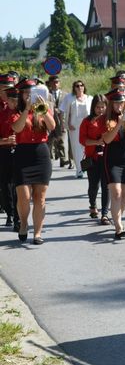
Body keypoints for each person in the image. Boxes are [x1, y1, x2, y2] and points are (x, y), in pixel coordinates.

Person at [10, 78, 56, 245]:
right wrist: (27, 110)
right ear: (21, 95)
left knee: (40, 197)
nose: (29, 96)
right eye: (26, 93)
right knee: (24, 196)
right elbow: (16, 128)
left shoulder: (42, 109)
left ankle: (37, 233)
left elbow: (52, 127)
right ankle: (23, 223)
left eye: (32, 93)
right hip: (22, 154)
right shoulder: (16, 110)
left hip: (41, 154)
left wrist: (43, 110)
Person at [102, 89, 125, 240]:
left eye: (121, 102)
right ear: (111, 104)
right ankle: (118, 227)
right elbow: (107, 140)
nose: (119, 105)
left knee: (123, 194)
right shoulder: (104, 119)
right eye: (116, 102)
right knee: (115, 192)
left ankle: (118, 219)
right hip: (112, 158)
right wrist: (119, 124)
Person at [79, 94, 110, 225]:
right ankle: (92, 205)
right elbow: (82, 140)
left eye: (103, 107)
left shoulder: (109, 120)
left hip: (107, 158)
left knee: (106, 186)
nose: (100, 110)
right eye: (98, 107)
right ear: (93, 107)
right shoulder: (86, 121)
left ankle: (104, 214)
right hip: (92, 158)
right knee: (93, 186)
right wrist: (97, 142)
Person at [64, 80, 92, 178]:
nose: (79, 87)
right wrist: (67, 124)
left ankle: (88, 168)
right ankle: (79, 170)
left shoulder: (90, 99)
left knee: (87, 147)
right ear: (74, 88)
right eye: (77, 86)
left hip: (87, 126)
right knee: (77, 149)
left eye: (81, 85)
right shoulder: (69, 98)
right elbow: (65, 112)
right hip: (74, 127)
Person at [0, 79, 18, 229]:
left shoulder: (21, 111)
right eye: (5, 89)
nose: (7, 93)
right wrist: (5, 140)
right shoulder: (2, 113)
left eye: (10, 90)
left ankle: (18, 215)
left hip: (21, 151)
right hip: (4, 151)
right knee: (5, 184)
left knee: (18, 184)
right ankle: (10, 213)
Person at [47, 75, 70, 168]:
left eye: (57, 82)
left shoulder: (65, 95)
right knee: (50, 142)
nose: (55, 84)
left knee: (63, 141)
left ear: (59, 83)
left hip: (61, 121)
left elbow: (68, 108)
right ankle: (49, 161)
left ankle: (64, 160)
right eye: (53, 82)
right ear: (50, 84)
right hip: (50, 120)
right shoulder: (47, 94)